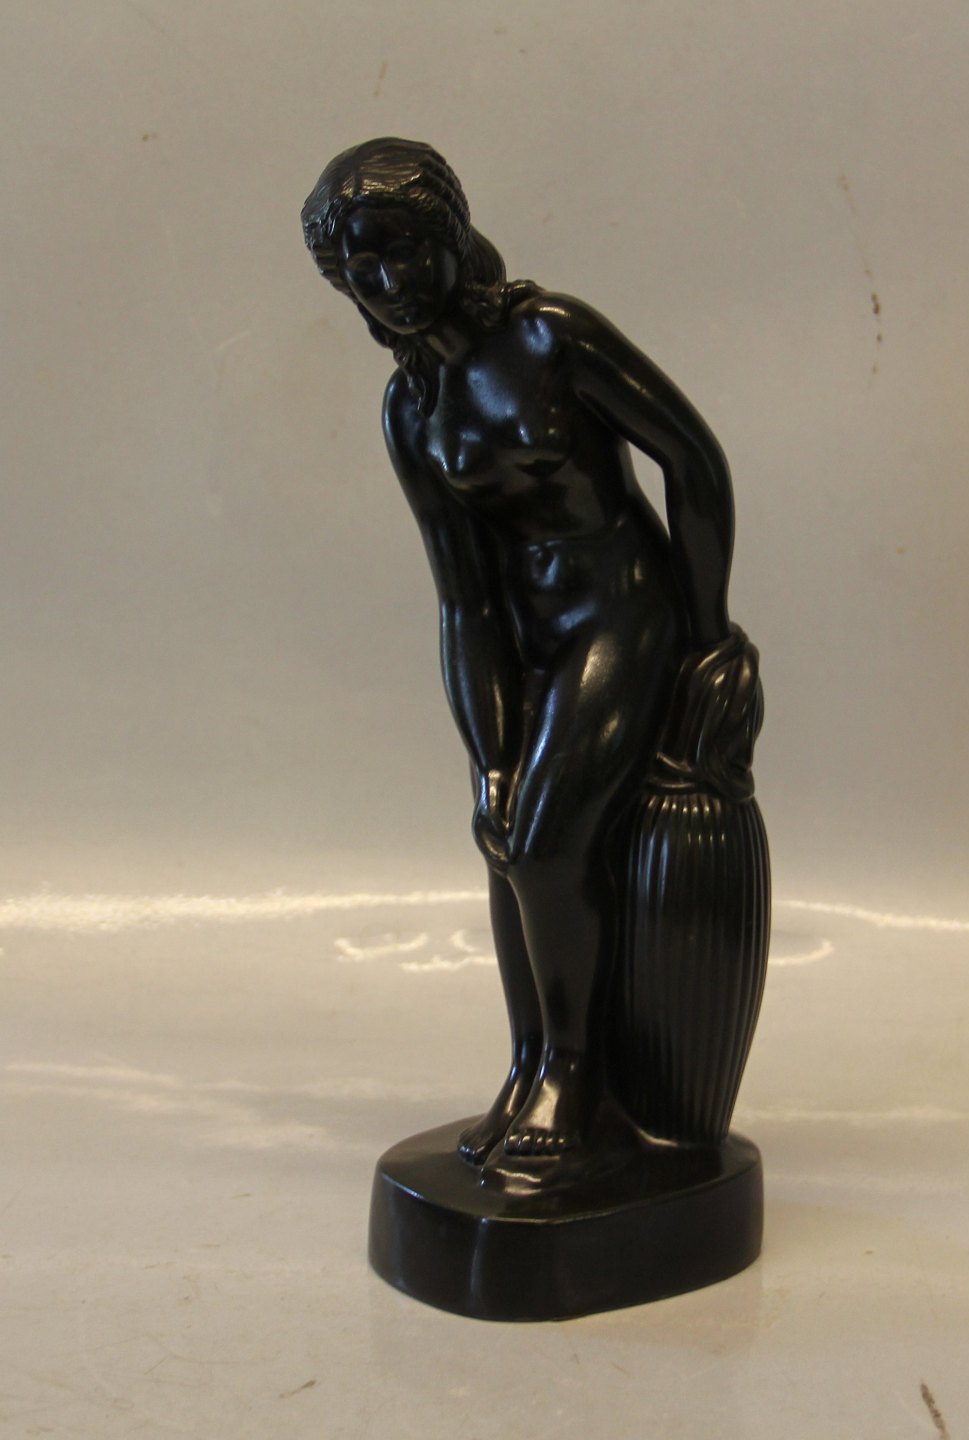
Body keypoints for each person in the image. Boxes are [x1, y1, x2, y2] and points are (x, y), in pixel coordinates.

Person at [303, 138, 740, 1169]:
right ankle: (532, 1058)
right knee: (506, 839)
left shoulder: (550, 337)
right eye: (360, 265)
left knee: (545, 846)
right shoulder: (411, 408)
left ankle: (573, 1077)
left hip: (622, 612)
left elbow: (692, 462)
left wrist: (706, 636)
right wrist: (487, 753)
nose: (386, 280)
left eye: (402, 249)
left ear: (451, 237)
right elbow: (461, 599)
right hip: (522, 640)